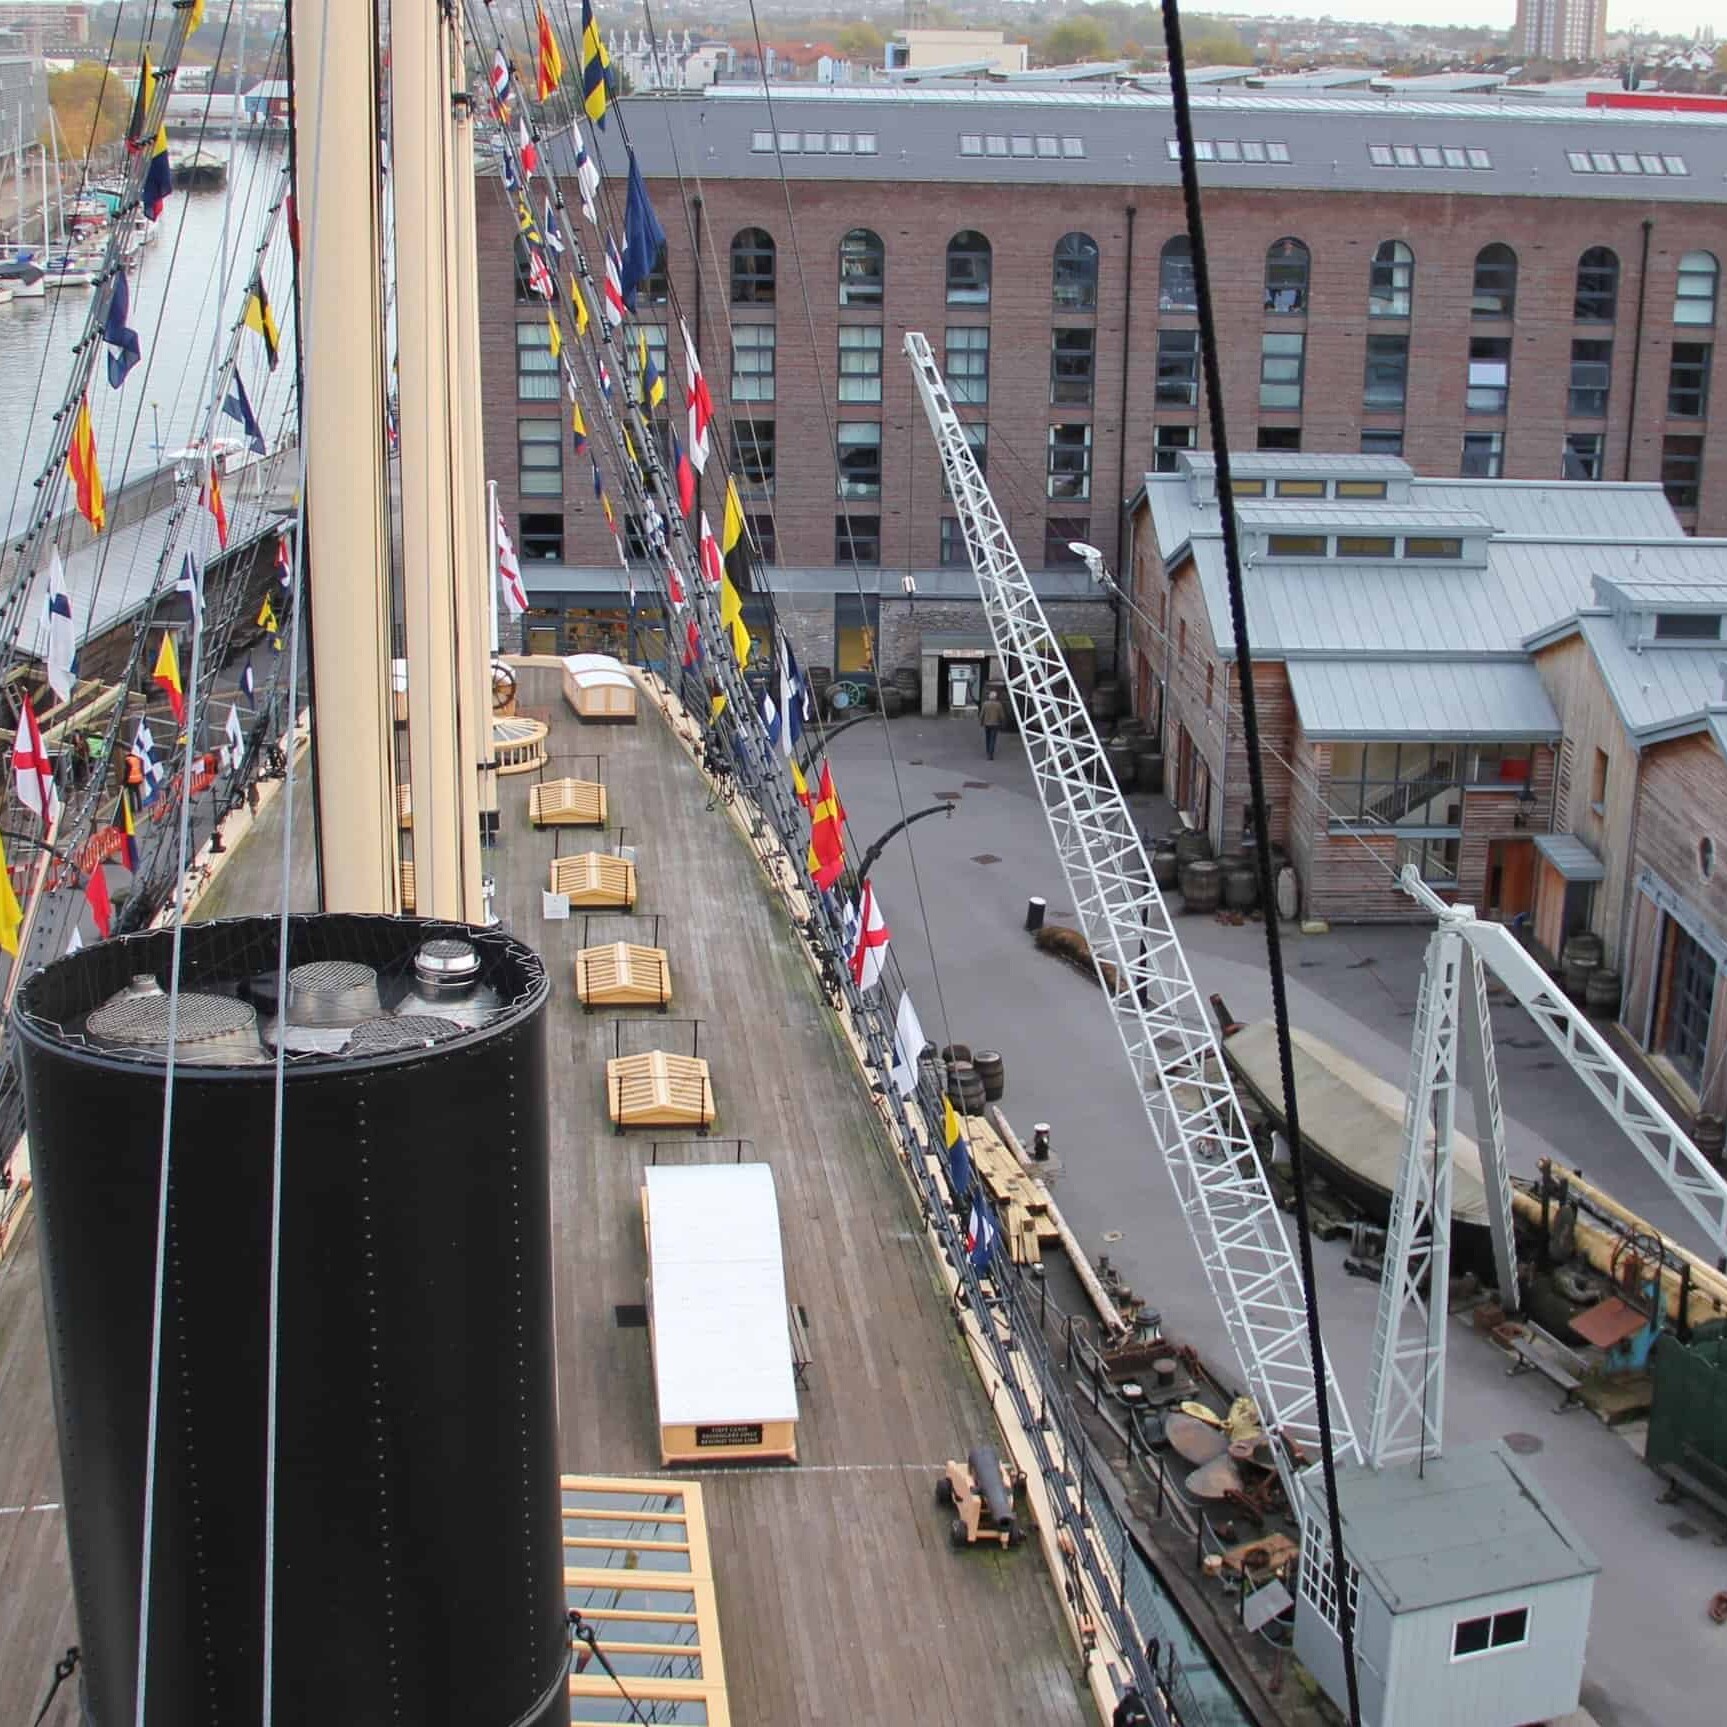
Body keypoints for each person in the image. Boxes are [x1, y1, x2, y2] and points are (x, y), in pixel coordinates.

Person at [979, 687, 1007, 761]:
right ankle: (990, 755)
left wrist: (981, 722)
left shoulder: (985, 704)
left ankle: (988, 751)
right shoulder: (998, 705)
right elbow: (1002, 715)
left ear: (989, 697)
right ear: (995, 697)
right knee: (993, 739)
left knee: (987, 738)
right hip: (995, 724)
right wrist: (1003, 722)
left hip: (987, 723)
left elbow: (982, 714)